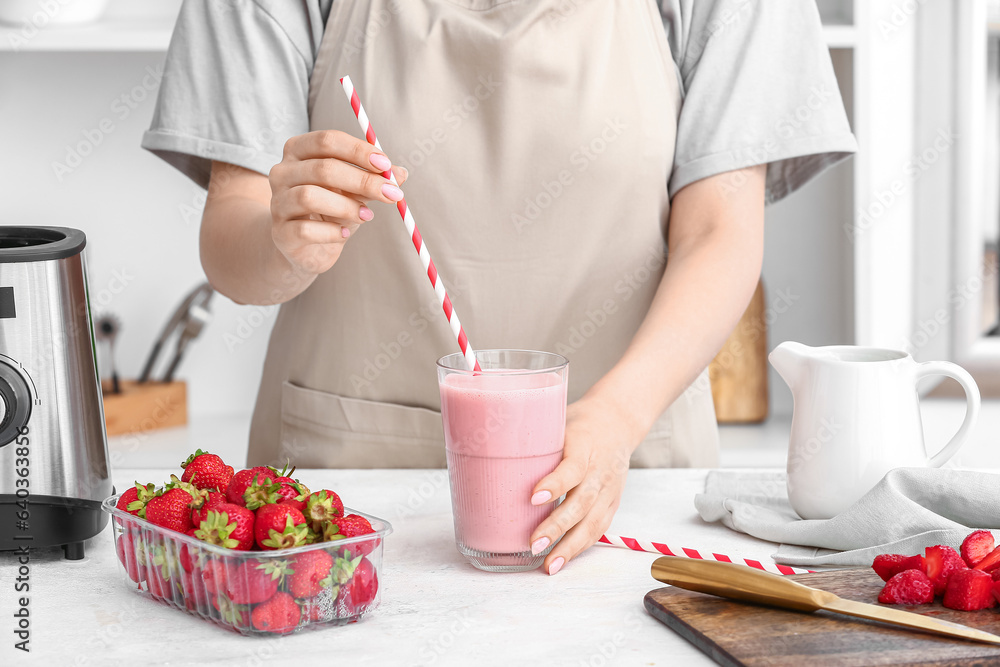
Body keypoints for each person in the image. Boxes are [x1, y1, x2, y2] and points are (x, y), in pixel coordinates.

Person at [142, 0, 856, 574]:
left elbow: (720, 233)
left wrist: (617, 419)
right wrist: (281, 238)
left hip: (624, 477)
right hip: (346, 508)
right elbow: (231, 242)